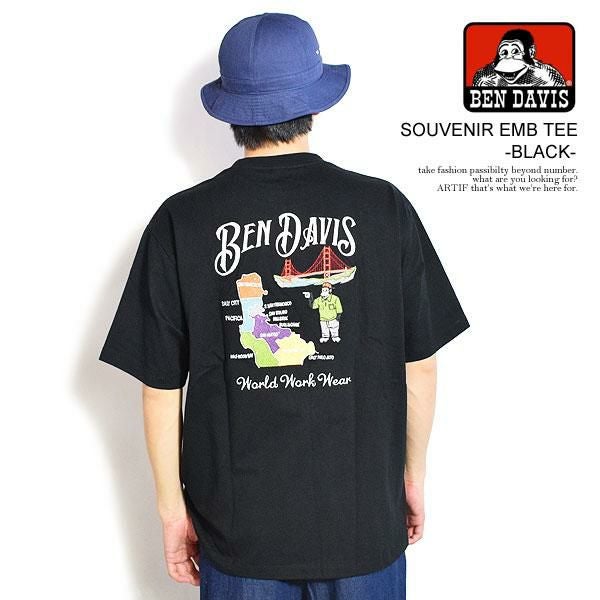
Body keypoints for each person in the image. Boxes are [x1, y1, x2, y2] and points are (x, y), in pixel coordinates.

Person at [98, 12, 470, 600]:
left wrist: (172, 513)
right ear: (316, 101)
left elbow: (160, 387)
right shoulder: (383, 209)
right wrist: (411, 477)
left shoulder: (181, 221)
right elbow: (419, 365)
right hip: (363, 522)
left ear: (232, 111)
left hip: (238, 534)